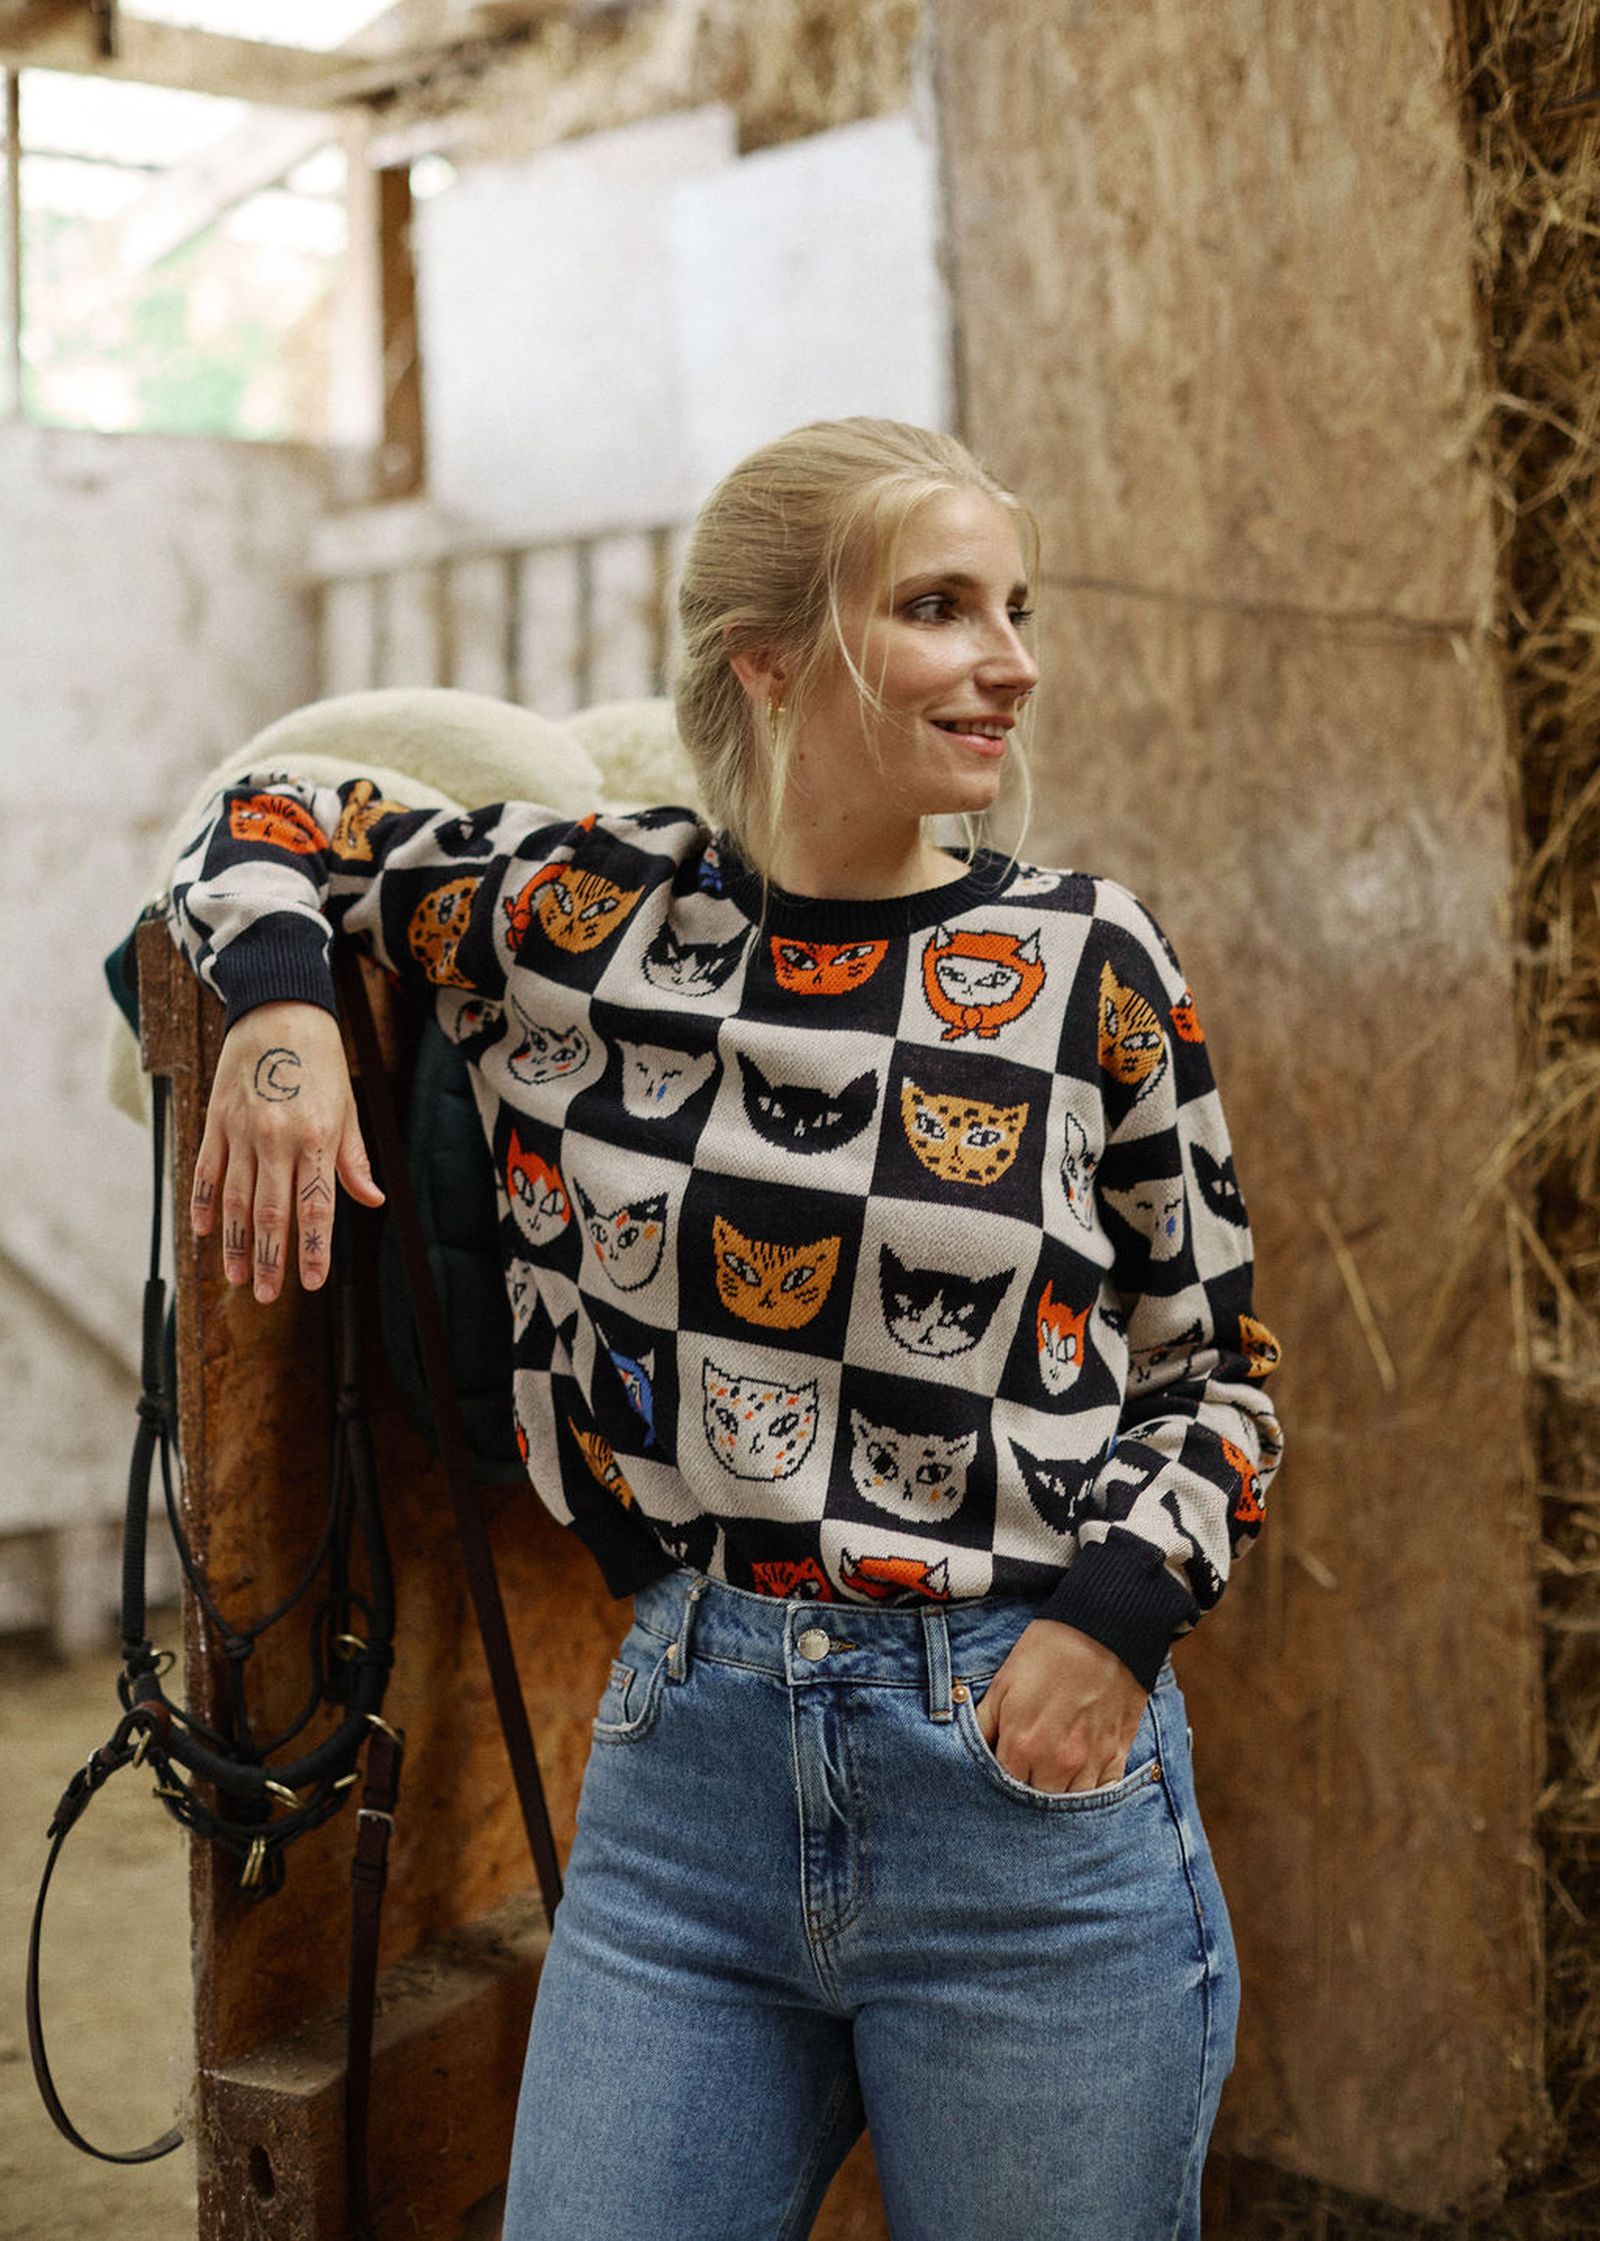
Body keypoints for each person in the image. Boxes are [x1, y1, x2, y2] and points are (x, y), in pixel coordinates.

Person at [168, 417, 1283, 2240]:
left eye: (1017, 608)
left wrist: (1109, 1628)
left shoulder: (1091, 958)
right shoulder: (585, 913)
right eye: (940, 607)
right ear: (770, 657)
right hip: (691, 1781)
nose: (1012, 661)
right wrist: (284, 1013)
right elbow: (267, 814)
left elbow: (1217, 1370)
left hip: (1019, 1790)